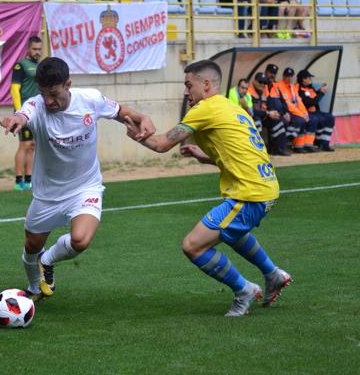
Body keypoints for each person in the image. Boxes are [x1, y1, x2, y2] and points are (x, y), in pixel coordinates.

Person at [124, 59, 292, 317]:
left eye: (188, 85)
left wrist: (133, 128)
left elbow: (160, 144)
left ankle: (244, 290)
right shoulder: (231, 107)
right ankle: (273, 274)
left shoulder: (204, 108)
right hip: (265, 187)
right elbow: (243, 152)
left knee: (193, 245)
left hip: (250, 194)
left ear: (205, 84)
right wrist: (205, 156)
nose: (185, 91)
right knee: (232, 231)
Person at [0, 57, 155, 302]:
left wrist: (142, 117)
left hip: (85, 187)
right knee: (31, 245)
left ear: (68, 84)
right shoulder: (36, 105)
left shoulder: (91, 99)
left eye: (54, 94)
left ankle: (47, 261)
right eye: (43, 94)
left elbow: (123, 112)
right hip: (47, 194)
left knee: (80, 240)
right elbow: (24, 113)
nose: (49, 101)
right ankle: (33, 287)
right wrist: (16, 119)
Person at [10, 36, 42, 191]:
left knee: (33, 145)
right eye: (35, 49)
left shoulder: (40, 66)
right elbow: (15, 88)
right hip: (23, 113)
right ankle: (18, 181)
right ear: (28, 49)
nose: (37, 52)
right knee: (24, 144)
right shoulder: (20, 66)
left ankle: (29, 180)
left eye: (39, 49)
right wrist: (18, 111)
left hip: (36, 112)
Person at [277, 67, 319, 153]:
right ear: (283, 76)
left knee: (312, 119)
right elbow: (288, 105)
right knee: (301, 120)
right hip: (287, 112)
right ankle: (294, 144)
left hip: (296, 112)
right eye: (287, 76)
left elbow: (299, 101)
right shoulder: (279, 86)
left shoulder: (293, 87)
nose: (289, 78)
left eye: (291, 76)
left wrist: (305, 113)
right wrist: (301, 114)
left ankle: (307, 145)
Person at [297, 69, 335, 152]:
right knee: (317, 119)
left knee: (330, 117)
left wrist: (320, 91)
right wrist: (321, 93)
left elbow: (314, 97)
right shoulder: (299, 90)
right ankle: (313, 143)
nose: (310, 79)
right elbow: (310, 102)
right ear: (303, 79)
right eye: (309, 78)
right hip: (306, 113)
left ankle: (325, 144)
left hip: (316, 112)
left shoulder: (310, 88)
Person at [263, 64, 291, 155]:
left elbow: (283, 101)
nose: (272, 75)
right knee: (278, 122)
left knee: (286, 121)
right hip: (266, 114)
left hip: (278, 113)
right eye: (270, 72)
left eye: (274, 73)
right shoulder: (262, 84)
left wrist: (286, 112)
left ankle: (279, 146)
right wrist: (269, 112)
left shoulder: (276, 86)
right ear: (266, 72)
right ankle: (278, 148)